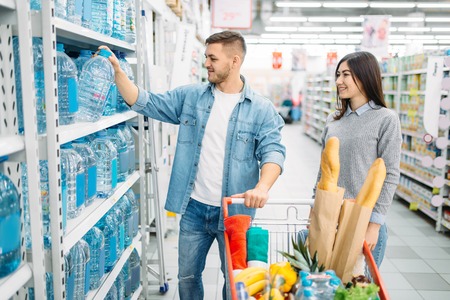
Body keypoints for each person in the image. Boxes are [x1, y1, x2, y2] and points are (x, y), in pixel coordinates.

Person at [99, 31, 286, 299]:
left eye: (213, 58)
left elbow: (274, 152)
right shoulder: (192, 97)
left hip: (235, 212)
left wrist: (263, 187)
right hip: (193, 208)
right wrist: (118, 72)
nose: (206, 63)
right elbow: (146, 102)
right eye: (206, 57)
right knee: (187, 278)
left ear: (234, 61)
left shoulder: (261, 109)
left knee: (235, 281)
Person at [315, 51, 401, 268]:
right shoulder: (333, 121)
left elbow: (390, 174)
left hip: (363, 221)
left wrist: (374, 225)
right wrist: (315, 211)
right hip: (331, 218)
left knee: (361, 289)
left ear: (364, 76)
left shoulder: (386, 119)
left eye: (345, 75)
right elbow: (323, 172)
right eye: (338, 75)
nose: (338, 81)